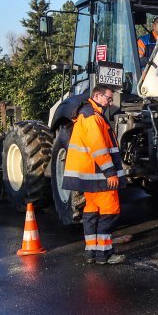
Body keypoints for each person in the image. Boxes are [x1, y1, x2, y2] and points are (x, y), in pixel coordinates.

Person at [63, 84, 127, 265]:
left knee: (91, 212)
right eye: (108, 97)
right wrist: (110, 172)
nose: (110, 101)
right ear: (97, 96)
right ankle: (104, 255)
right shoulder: (92, 117)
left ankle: (91, 252)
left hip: (90, 176)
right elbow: (98, 148)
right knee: (110, 213)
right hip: (99, 176)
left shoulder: (89, 114)